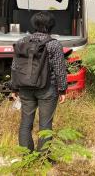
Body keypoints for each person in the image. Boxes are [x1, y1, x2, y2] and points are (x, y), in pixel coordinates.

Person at [11, 11, 68, 152]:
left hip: (24, 87)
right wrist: (62, 90)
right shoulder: (54, 44)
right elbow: (59, 69)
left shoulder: (22, 42)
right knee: (45, 125)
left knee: (25, 123)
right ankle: (43, 157)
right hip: (47, 89)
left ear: (34, 24)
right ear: (51, 25)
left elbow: (15, 66)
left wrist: (14, 88)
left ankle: (26, 156)